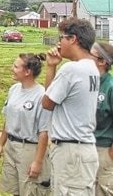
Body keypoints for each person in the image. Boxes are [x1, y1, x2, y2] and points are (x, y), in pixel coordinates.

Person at [42, 17, 99, 195]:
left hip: (70, 151)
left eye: (62, 38)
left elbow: (47, 102)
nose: (59, 43)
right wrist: (52, 65)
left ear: (73, 39)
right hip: (83, 148)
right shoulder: (92, 68)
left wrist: (51, 68)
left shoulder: (72, 69)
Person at [0, 53, 51, 195]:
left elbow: (44, 132)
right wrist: (1, 144)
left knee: (29, 190)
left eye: (16, 66)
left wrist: (38, 161)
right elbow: (8, 119)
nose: (12, 68)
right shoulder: (13, 89)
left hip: (29, 149)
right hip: (11, 147)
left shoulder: (41, 95)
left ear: (27, 72)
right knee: (14, 190)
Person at [91, 41, 113, 195]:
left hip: (104, 149)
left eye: (90, 55)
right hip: (85, 147)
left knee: (103, 190)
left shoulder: (110, 87)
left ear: (102, 61)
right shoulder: (87, 82)